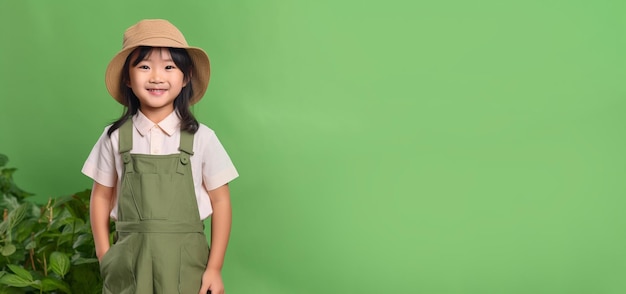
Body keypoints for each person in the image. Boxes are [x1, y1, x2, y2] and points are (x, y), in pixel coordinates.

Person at [82, 19, 239, 294]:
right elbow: (101, 195)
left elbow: (221, 200)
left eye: (169, 67)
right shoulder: (115, 137)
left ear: (186, 76)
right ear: (128, 79)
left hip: (188, 264)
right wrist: (104, 254)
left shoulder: (202, 137)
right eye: (144, 66)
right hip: (128, 262)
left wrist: (214, 268)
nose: (156, 76)